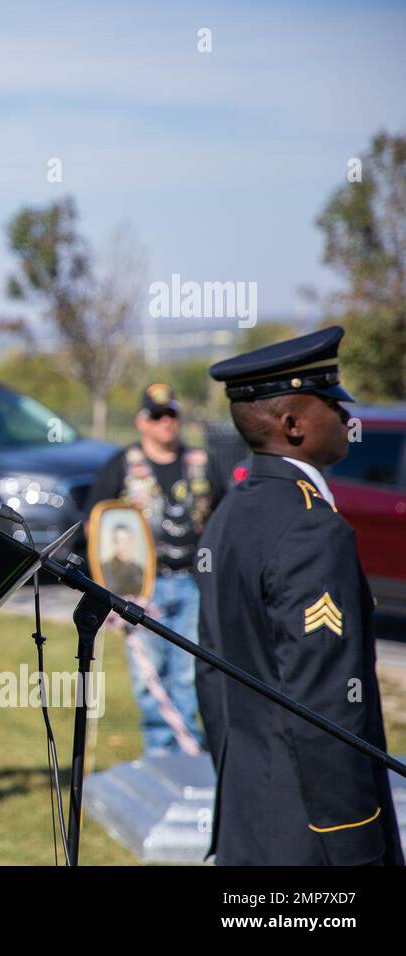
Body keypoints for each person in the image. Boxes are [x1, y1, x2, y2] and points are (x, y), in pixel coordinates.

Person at [196, 326, 402, 866]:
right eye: (332, 404)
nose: (346, 419)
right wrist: (355, 837)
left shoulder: (231, 512)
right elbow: (327, 698)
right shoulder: (313, 528)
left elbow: (212, 674)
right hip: (313, 834)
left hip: (248, 810)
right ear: (292, 425)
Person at [84, 383, 219, 755]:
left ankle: (190, 750)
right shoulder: (123, 465)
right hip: (140, 588)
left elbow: (224, 519)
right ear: (142, 422)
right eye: (158, 416)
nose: (166, 423)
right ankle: (160, 753)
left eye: (172, 415)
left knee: (188, 672)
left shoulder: (201, 464)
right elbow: (95, 522)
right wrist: (110, 584)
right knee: (150, 675)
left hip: (192, 583)